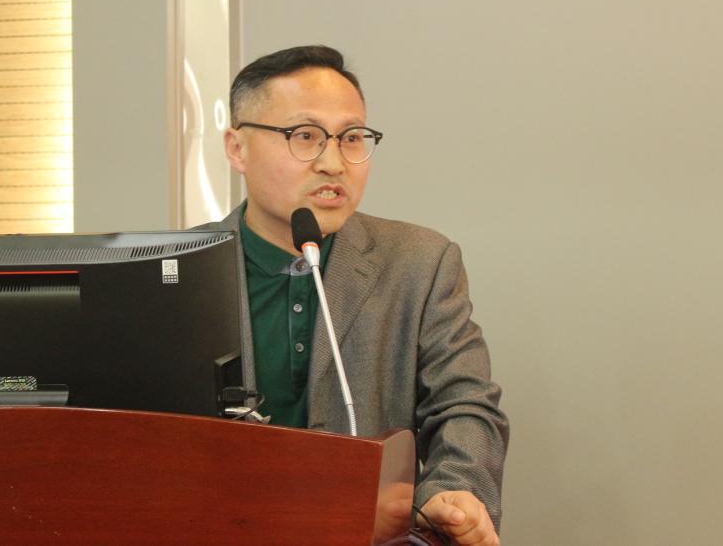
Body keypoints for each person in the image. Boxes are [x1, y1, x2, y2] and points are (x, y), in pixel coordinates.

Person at [208, 45, 509, 545]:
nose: (334, 163)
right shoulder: (177, 268)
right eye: (304, 136)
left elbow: (465, 404)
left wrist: (453, 492)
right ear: (237, 148)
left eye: (351, 138)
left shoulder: (420, 262)